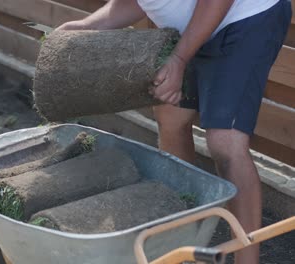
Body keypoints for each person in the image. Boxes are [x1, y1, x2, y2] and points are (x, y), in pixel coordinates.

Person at [56, 0, 292, 263]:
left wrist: (179, 58)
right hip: (190, 27)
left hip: (244, 18)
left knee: (225, 143)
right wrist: (88, 26)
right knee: (170, 118)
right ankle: (185, 238)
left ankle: (247, 259)